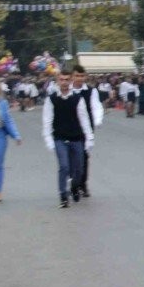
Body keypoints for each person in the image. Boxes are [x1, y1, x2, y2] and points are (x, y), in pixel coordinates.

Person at [41, 68, 96, 208]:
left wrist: (89, 137)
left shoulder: (78, 99)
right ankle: (63, 195)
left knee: (79, 169)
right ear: (57, 81)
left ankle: (74, 186)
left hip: (76, 137)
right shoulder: (51, 99)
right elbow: (47, 120)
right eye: (61, 79)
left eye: (67, 80)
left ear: (70, 80)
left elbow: (84, 119)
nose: (64, 82)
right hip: (59, 137)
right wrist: (48, 138)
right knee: (64, 166)